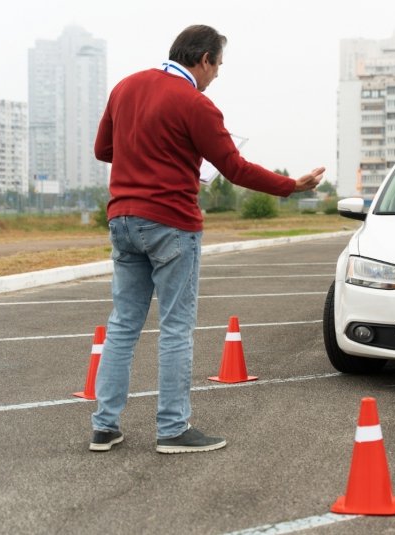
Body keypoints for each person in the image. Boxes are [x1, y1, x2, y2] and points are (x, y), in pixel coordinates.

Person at [89, 25, 323, 454]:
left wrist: (149, 153)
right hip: (171, 223)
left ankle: (104, 427)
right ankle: (173, 429)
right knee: (176, 327)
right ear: (203, 59)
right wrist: (292, 185)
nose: (216, 75)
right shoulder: (196, 104)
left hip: (122, 220)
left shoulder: (125, 87)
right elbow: (234, 168)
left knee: (123, 325)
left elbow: (104, 150)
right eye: (218, 66)